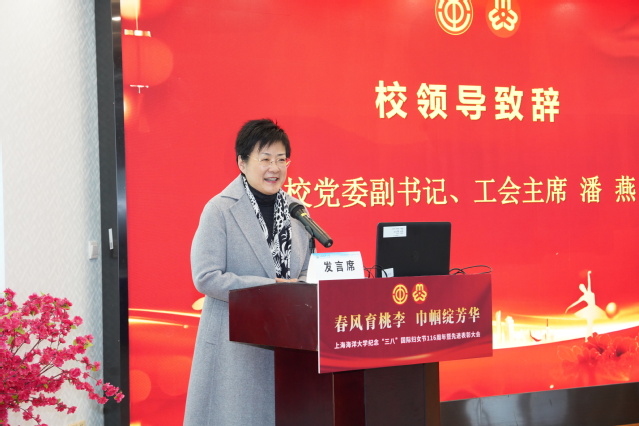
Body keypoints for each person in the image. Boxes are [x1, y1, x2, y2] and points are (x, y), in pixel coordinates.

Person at [184, 119, 312, 425]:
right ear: (242, 163)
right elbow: (207, 276)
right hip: (235, 343)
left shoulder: (297, 211)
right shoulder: (220, 209)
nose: (274, 168)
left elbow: (307, 273)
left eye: (281, 159)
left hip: (289, 341)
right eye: (265, 159)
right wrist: (273, 287)